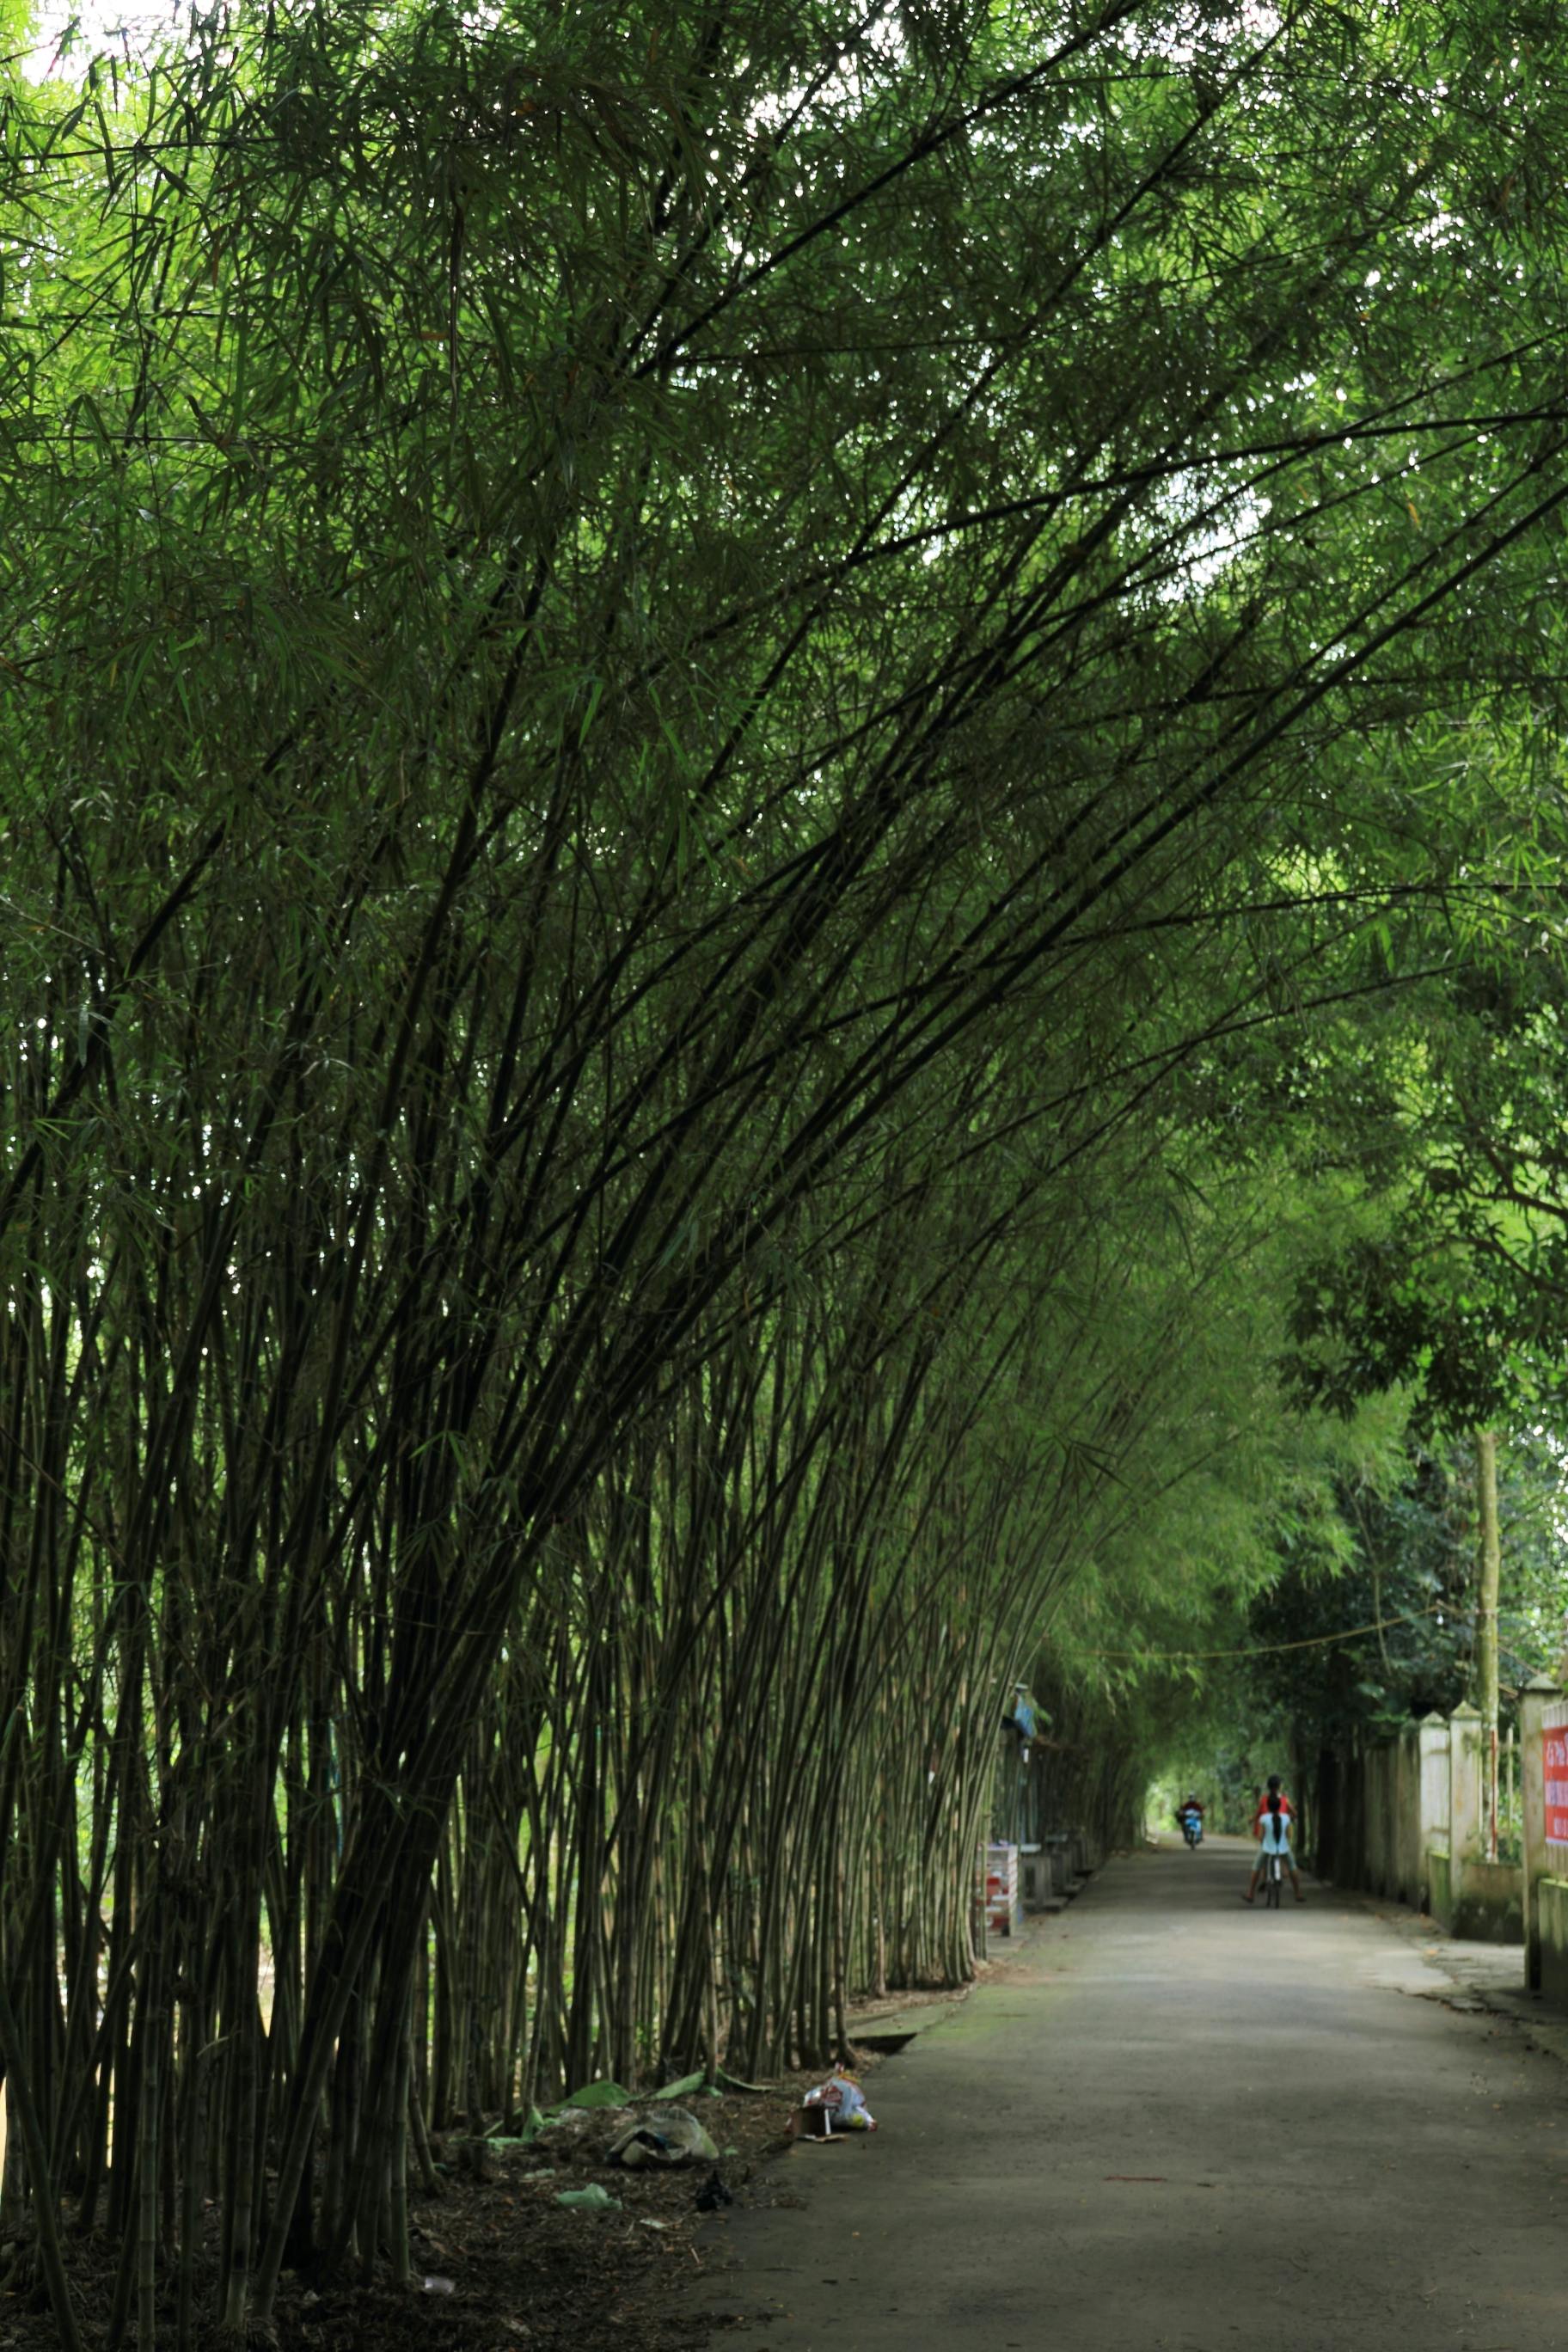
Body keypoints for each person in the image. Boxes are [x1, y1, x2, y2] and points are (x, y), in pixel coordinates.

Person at [1243, 1791, 1303, 1903]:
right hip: (1283, 1849)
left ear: (1268, 1806)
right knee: (1292, 1867)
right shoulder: (1286, 1817)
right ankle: (1298, 1893)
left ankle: (1250, 1893)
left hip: (1267, 1848)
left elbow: (1261, 1836)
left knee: (1256, 1866)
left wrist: (1263, 1841)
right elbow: (1289, 1835)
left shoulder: (1264, 1818)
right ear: (1280, 1806)